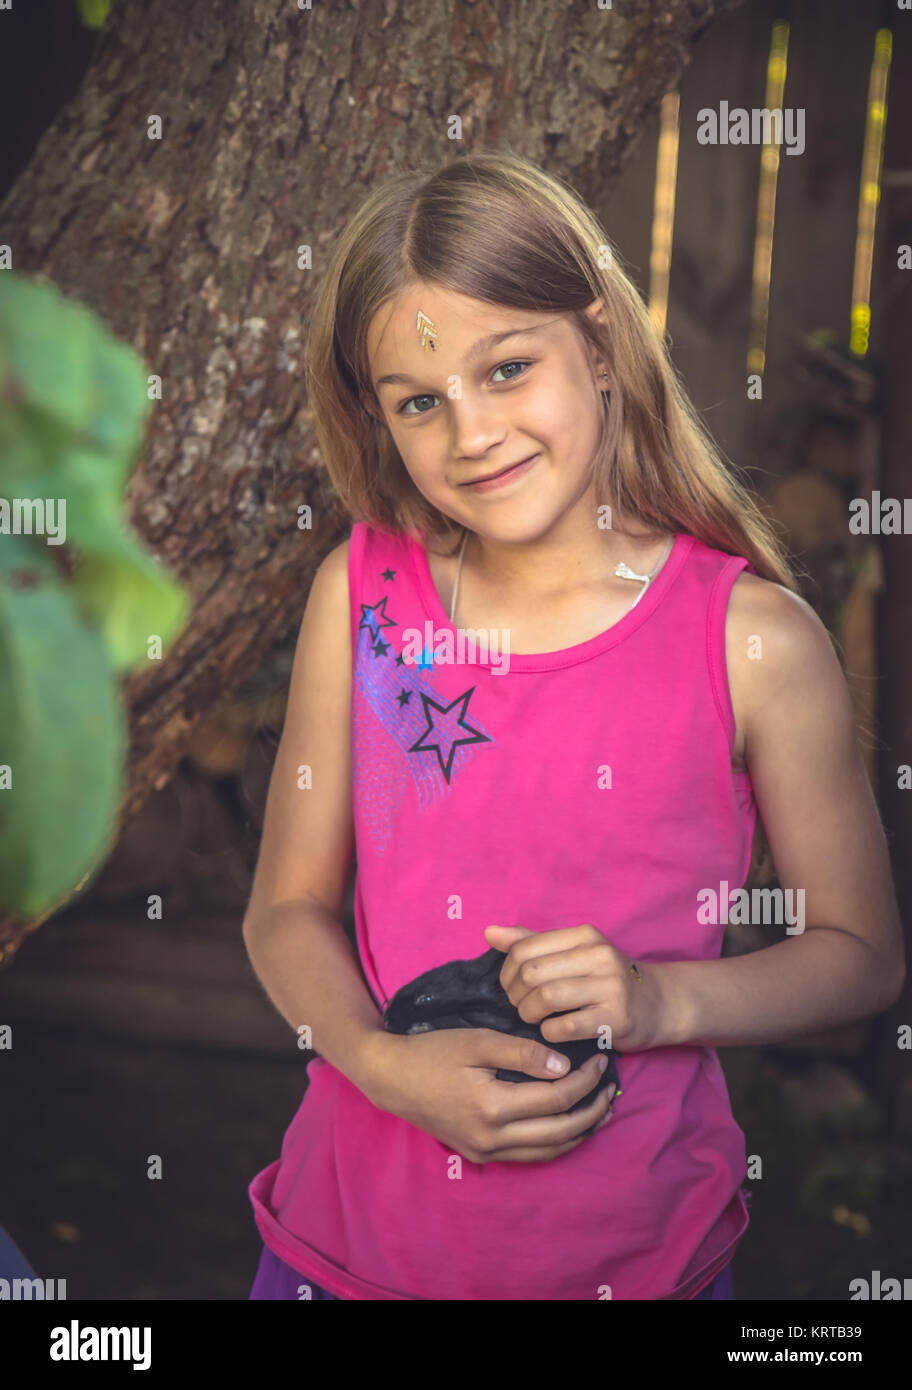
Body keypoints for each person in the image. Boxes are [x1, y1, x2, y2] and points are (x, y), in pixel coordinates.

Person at [243, 152, 904, 1301]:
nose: (472, 433)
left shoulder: (751, 640)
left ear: (598, 344)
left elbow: (862, 956)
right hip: (345, 1250)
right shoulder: (364, 598)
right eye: (419, 400)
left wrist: (661, 1000)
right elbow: (285, 910)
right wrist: (386, 1068)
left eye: (508, 368)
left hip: (637, 1261)